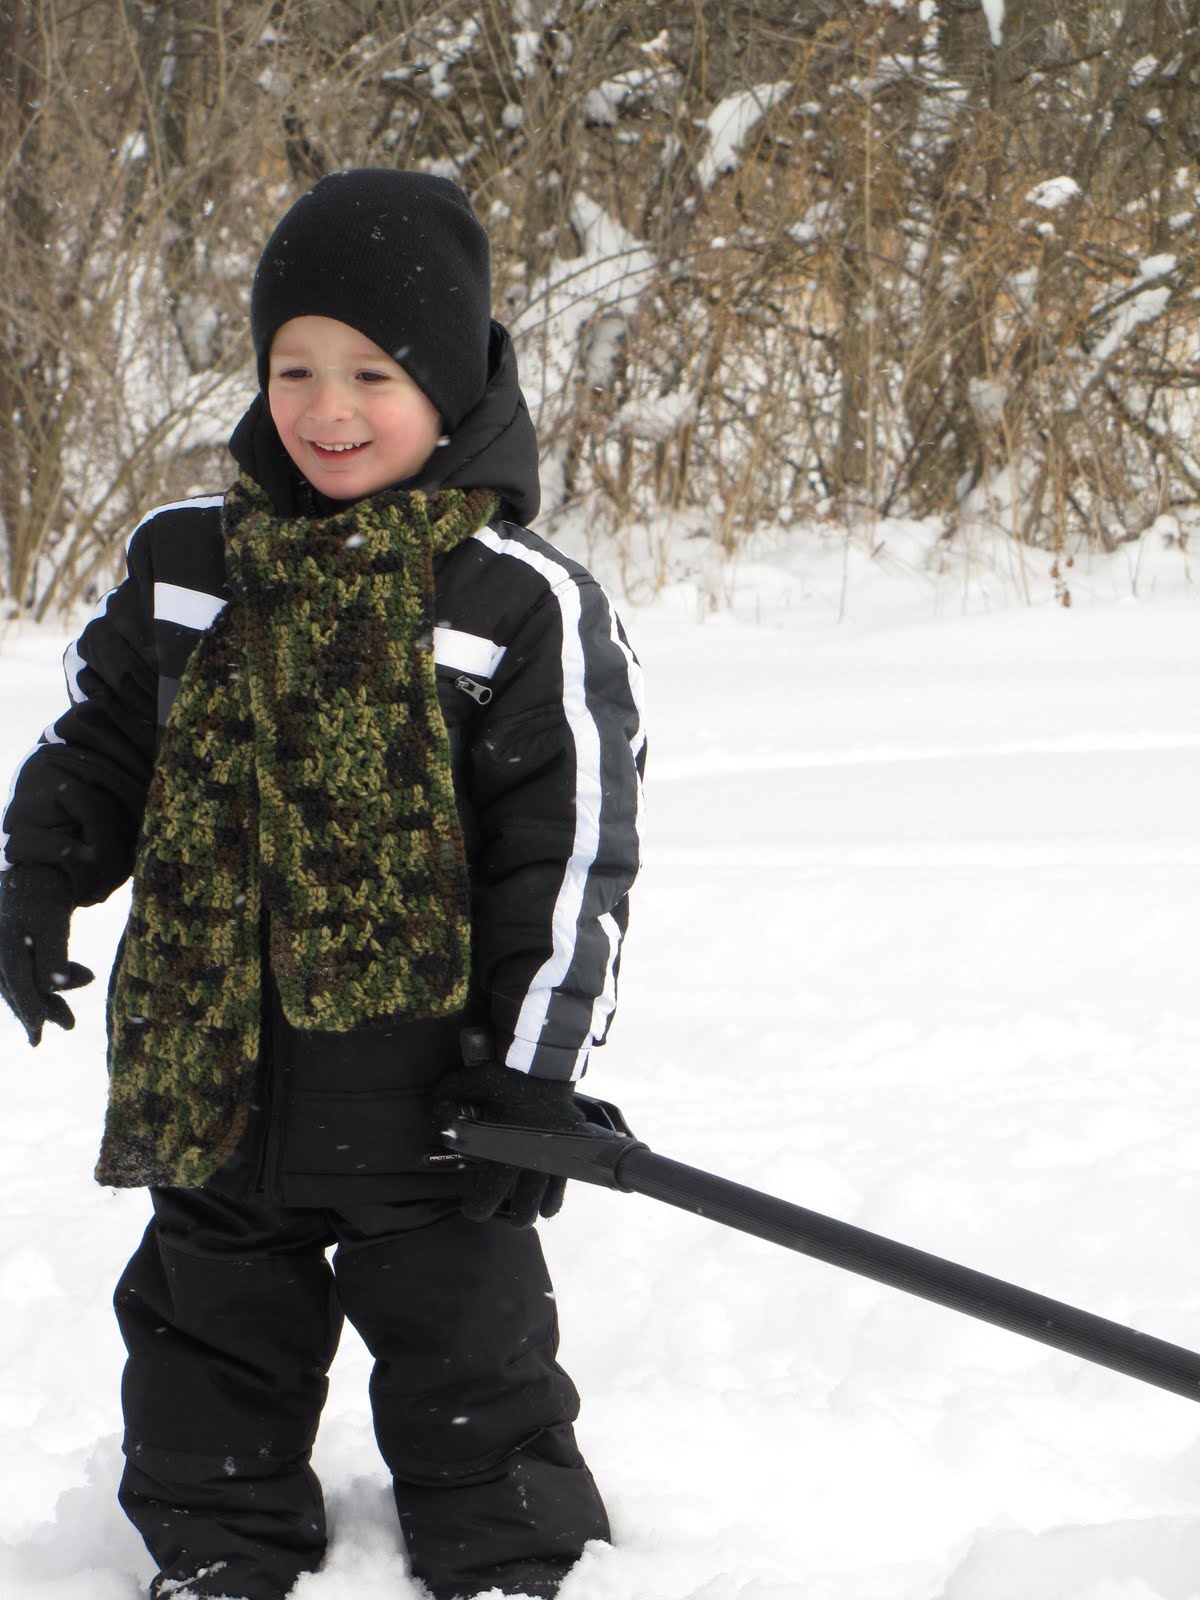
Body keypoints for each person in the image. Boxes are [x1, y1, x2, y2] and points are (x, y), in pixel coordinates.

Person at [0, 168, 645, 1600]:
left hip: (432, 1106)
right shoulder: (188, 559)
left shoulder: (511, 598)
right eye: (294, 367)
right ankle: (215, 1557)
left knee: (473, 1367)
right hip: (212, 1075)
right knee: (204, 1353)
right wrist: (37, 876)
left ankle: (511, 1566)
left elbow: (568, 852)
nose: (327, 408)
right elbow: (104, 744)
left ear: (450, 386)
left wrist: (531, 1073)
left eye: (373, 373)